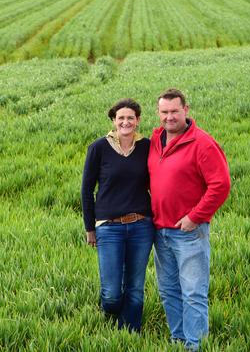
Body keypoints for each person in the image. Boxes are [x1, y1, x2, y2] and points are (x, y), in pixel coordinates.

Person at [148, 88, 230, 350]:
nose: (169, 117)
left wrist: (195, 217)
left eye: (174, 111)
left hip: (189, 232)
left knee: (193, 293)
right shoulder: (155, 139)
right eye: (164, 112)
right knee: (169, 291)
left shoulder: (202, 143)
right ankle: (178, 340)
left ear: (186, 110)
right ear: (158, 113)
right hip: (160, 230)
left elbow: (221, 184)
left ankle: (195, 346)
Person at [81, 98, 155, 332]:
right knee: (112, 294)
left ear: (138, 120)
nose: (125, 122)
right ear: (114, 120)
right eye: (121, 118)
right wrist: (90, 228)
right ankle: (113, 312)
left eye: (130, 118)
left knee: (134, 286)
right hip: (109, 227)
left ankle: (129, 333)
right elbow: (86, 190)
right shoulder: (99, 147)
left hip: (141, 226)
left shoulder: (147, 147)